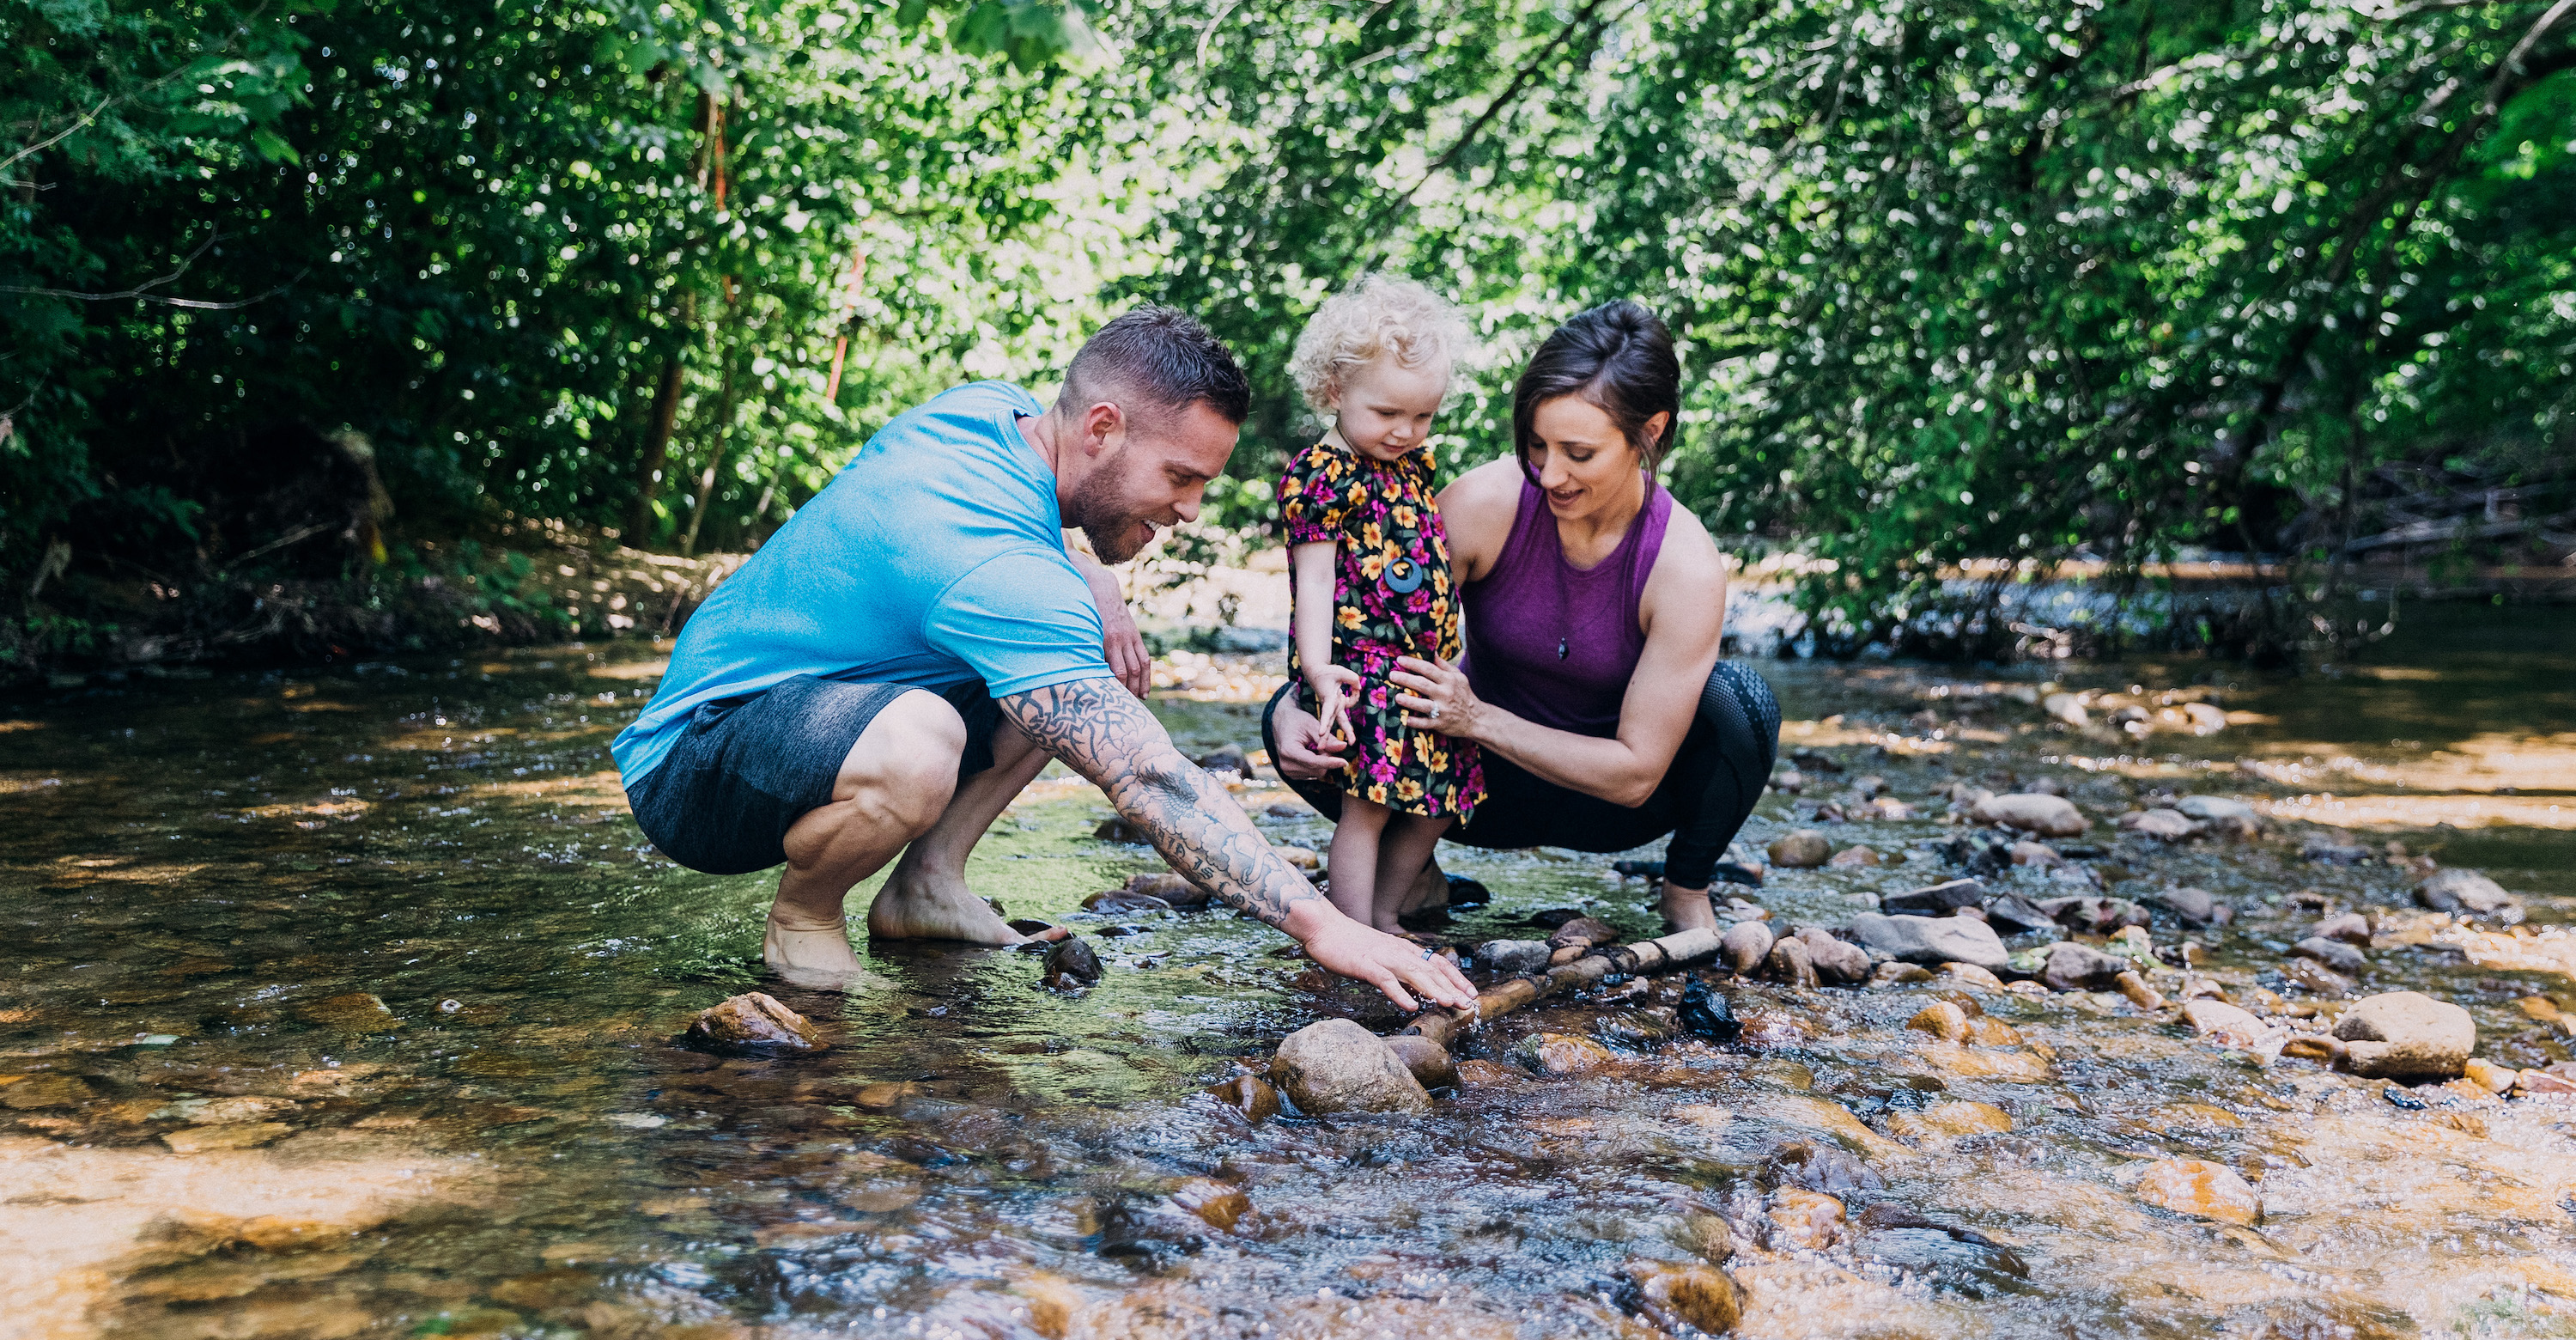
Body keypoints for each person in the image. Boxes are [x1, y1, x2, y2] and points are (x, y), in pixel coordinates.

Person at [611, 307, 1476, 1012]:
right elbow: (1148, 776)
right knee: (929, 737)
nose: (1192, 508)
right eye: (1179, 476)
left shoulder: (991, 408)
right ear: (1102, 427)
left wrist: (1094, 576)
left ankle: (927, 883)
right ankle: (804, 912)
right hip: (695, 765)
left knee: (1062, 656)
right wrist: (1328, 926)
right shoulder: (995, 564)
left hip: (802, 709)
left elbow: (1019, 528)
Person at [1262, 302, 1781, 935]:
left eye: (1579, 453)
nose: (1550, 474)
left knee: (1741, 704)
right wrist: (1295, 706)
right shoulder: (1487, 501)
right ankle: (1408, 879)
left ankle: (1684, 888)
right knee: (1300, 712)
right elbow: (1365, 623)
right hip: (1474, 790)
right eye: (1537, 445)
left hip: (1610, 803)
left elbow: (1637, 775)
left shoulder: (1685, 566)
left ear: (1650, 431)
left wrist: (1478, 718)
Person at [1277, 276, 1485, 933]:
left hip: (1422, 672)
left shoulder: (1411, 465)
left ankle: (1388, 914)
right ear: (1335, 392)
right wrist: (1315, 671)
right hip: (1359, 670)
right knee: (1366, 807)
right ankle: (1353, 928)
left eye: (1423, 416)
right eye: (1389, 414)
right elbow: (1312, 583)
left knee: (1435, 802)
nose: (1406, 431)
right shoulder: (1323, 477)